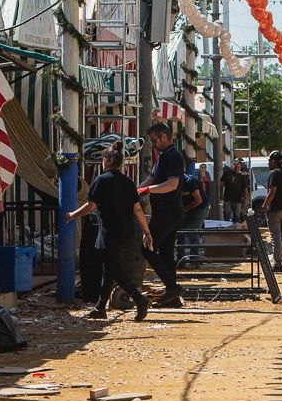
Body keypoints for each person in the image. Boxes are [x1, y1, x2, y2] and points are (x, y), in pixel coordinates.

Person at [67, 147, 153, 321]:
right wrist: (147, 232)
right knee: (110, 269)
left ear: (105, 161)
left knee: (114, 269)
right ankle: (100, 307)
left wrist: (72, 214)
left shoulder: (101, 181)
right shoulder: (128, 183)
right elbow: (137, 209)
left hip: (110, 233)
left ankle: (139, 298)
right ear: (121, 164)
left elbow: (91, 206)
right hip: (128, 233)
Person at [138, 122, 186, 307]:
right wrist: (137, 190)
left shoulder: (173, 156)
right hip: (166, 211)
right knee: (166, 253)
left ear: (164, 136)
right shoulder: (164, 156)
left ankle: (172, 287)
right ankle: (172, 298)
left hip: (168, 211)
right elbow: (152, 178)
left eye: (155, 140)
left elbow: (171, 184)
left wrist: (146, 190)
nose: (153, 144)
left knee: (147, 248)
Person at [262, 150, 282, 272]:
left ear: (274, 161)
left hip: (275, 210)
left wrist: (264, 205)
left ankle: (278, 264)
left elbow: (272, 193)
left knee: (275, 236)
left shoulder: (274, 174)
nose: (268, 163)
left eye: (269, 160)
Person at [177, 168, 208, 267]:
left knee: (192, 231)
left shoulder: (190, 182)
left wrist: (185, 209)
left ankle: (195, 260)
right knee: (180, 231)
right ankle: (180, 260)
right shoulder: (175, 184)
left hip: (200, 207)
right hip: (187, 207)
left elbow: (198, 200)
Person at [222, 158, 249, 223]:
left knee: (236, 215)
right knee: (227, 213)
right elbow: (222, 183)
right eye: (236, 166)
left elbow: (245, 188)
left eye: (239, 167)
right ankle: (227, 228)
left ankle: (236, 229)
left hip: (237, 198)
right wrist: (221, 193)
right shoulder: (227, 173)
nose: (237, 168)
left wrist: (246, 198)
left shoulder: (242, 176)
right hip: (227, 197)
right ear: (233, 166)